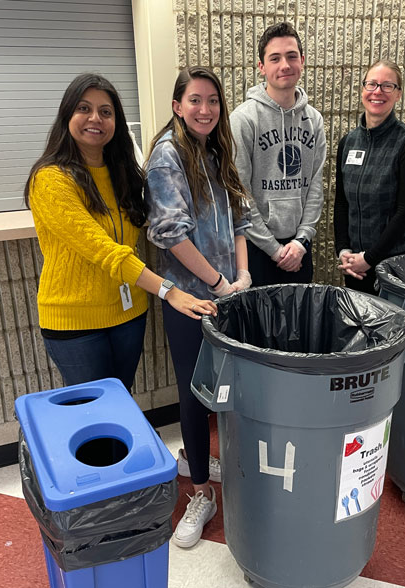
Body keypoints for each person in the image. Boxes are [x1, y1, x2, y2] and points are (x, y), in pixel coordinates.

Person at [24, 73, 216, 391]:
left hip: (128, 316)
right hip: (77, 324)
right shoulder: (50, 180)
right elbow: (106, 251)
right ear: (67, 115)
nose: (95, 118)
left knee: (121, 406)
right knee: (95, 419)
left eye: (106, 111)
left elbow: (157, 221)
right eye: (84, 109)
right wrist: (171, 291)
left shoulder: (123, 175)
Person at [145, 66, 252, 548]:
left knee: (224, 387)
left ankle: (202, 456)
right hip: (191, 299)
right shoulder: (167, 156)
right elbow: (170, 234)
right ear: (177, 105)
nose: (205, 109)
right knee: (193, 391)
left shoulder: (216, 149)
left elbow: (239, 217)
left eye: (212, 101)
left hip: (229, 291)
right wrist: (217, 284)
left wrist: (242, 276)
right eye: (195, 100)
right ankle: (200, 495)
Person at [230, 21, 326, 286]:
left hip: (300, 249)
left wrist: (302, 240)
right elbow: (240, 193)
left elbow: (315, 185)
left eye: (291, 56)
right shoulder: (243, 119)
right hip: (257, 249)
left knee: (301, 323)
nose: (285, 65)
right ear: (262, 66)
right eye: (275, 58)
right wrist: (273, 248)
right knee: (259, 326)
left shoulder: (314, 120)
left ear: (302, 61)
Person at [334, 59, 405, 295]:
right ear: (363, 90)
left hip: (395, 265)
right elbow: (342, 203)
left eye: (388, 86)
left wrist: (370, 257)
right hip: (356, 267)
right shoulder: (348, 142)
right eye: (372, 84)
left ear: (398, 95)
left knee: (393, 329)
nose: (378, 92)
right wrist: (344, 252)